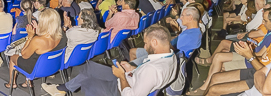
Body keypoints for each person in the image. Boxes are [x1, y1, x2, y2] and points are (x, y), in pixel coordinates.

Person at [42, 25, 178, 96]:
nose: (145, 46)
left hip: (121, 89)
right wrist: (132, 69)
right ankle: (62, 89)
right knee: (90, 68)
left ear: (154, 42)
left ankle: (61, 89)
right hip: (130, 78)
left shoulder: (153, 70)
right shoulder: (172, 57)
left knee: (87, 81)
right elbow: (147, 73)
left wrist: (122, 76)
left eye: (147, 43)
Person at [6, 8, 68, 89]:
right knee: (35, 54)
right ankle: (27, 82)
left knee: (13, 57)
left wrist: (30, 37)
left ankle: (12, 83)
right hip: (53, 66)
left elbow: (24, 55)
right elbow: (47, 43)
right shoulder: (63, 35)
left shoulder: (37, 40)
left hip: (36, 68)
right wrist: (38, 32)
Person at [132, 6, 201, 66]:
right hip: (171, 55)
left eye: (182, 15)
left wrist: (162, 38)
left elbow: (169, 50)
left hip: (164, 59)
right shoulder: (196, 32)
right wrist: (176, 31)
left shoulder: (187, 35)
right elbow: (178, 40)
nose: (180, 18)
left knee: (131, 61)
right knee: (133, 51)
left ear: (190, 18)